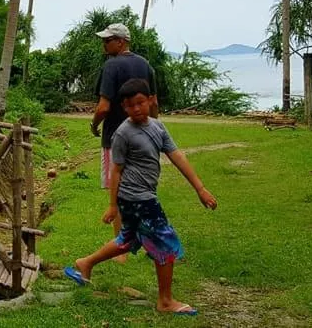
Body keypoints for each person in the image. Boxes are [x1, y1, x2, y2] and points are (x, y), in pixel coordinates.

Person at [66, 79, 218, 316]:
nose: (136, 109)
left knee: (129, 239)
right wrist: (112, 205)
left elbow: (176, 156)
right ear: (124, 108)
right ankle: (165, 301)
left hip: (142, 196)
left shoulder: (158, 127)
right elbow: (115, 170)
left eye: (140, 103)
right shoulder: (123, 133)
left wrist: (200, 188)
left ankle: (85, 263)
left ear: (150, 101)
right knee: (165, 242)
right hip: (136, 197)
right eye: (129, 105)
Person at [91, 22, 157, 261]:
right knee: (142, 190)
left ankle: (121, 251)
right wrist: (154, 130)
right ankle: (150, 243)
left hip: (116, 138)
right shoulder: (145, 65)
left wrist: (94, 124)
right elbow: (154, 104)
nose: (104, 44)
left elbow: (104, 106)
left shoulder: (111, 66)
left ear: (121, 41)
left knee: (118, 192)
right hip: (143, 139)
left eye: (108, 40)